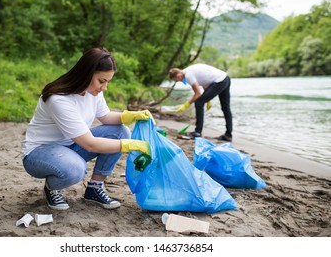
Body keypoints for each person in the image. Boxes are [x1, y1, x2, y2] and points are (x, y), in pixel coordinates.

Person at [21, 47, 153, 211]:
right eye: (102, 81)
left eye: (107, 82)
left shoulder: (93, 92)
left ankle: (95, 188)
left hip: (71, 146)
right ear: (86, 74)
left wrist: (132, 115)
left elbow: (105, 117)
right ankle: (51, 187)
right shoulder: (59, 99)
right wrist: (130, 145)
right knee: (76, 169)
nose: (104, 87)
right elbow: (90, 144)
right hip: (40, 153)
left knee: (120, 131)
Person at [169, 63, 233, 141]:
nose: (179, 81)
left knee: (198, 102)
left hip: (219, 81)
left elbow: (198, 93)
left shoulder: (188, 75)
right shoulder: (189, 71)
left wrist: (186, 104)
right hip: (225, 78)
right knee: (226, 108)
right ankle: (228, 135)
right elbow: (206, 82)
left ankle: (198, 132)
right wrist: (208, 99)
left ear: (178, 76)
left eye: (176, 80)